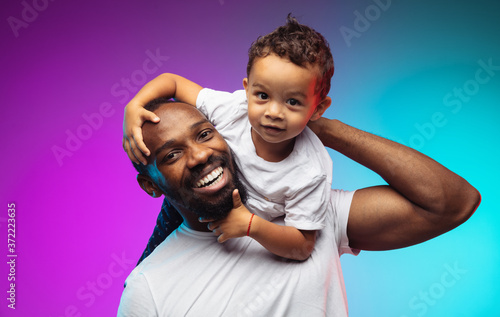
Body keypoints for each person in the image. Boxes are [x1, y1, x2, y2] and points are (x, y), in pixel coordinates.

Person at [117, 99, 479, 316]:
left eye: (205, 134)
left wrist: (317, 127)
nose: (199, 156)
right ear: (151, 186)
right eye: (172, 155)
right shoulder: (149, 287)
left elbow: (452, 203)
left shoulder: (306, 217)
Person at [123, 16, 335, 260]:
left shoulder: (310, 171)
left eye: (293, 102)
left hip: (240, 221)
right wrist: (136, 105)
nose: (273, 112)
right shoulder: (234, 109)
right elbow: (172, 82)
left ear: (318, 109)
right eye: (263, 95)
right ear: (247, 89)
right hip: (192, 200)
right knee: (151, 260)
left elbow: (303, 247)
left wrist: (251, 226)